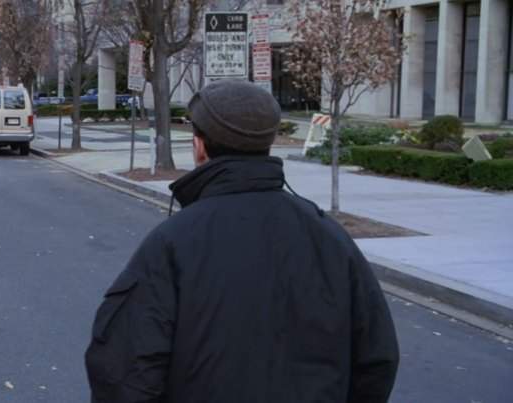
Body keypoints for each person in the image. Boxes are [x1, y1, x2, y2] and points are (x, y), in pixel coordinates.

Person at [84, 80, 399, 403]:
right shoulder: (329, 237)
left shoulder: (174, 241)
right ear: (268, 144)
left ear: (199, 147)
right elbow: (376, 358)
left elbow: (124, 370)